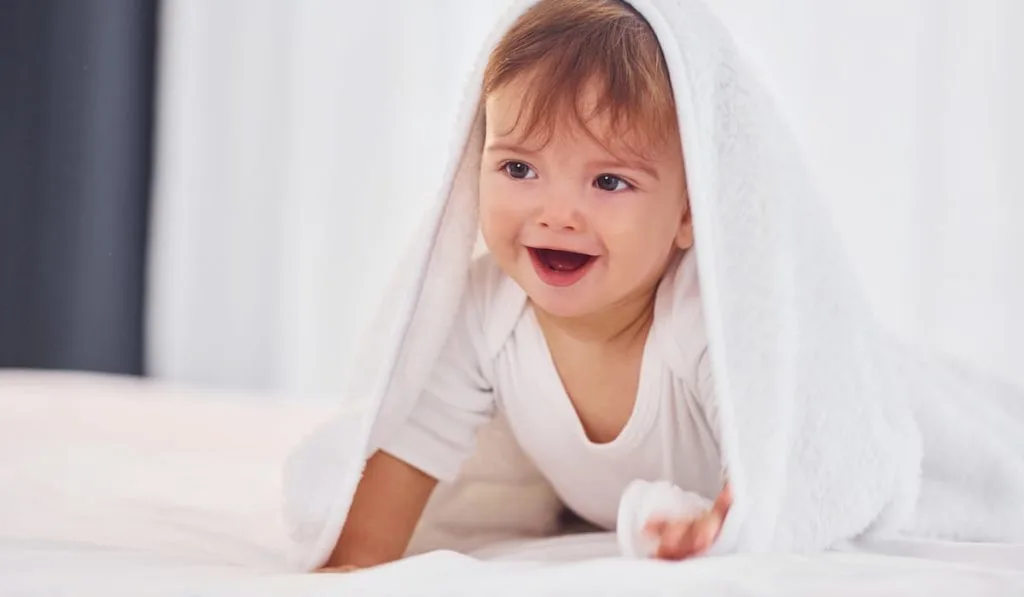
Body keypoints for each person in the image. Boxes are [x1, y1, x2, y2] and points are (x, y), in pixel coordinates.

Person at [324, 0, 731, 570]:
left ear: (690, 212)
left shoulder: (705, 317)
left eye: (609, 180)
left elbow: (780, 460)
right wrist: (343, 568)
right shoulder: (484, 306)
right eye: (519, 169)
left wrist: (723, 524)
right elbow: (396, 474)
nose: (558, 214)